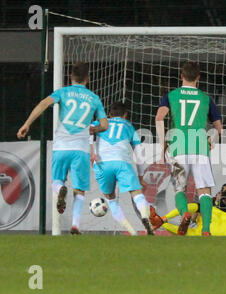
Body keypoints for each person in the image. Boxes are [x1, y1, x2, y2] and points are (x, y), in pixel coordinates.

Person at [17, 62, 108, 234]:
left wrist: (27, 124)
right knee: (79, 189)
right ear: (87, 79)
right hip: (80, 149)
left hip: (61, 146)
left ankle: (60, 190)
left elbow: (44, 104)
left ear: (71, 77)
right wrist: (93, 129)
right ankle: (75, 225)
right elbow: (104, 125)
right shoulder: (94, 98)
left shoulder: (63, 92)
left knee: (56, 181)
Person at [155, 61, 223, 236]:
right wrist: (212, 138)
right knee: (205, 191)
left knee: (180, 188)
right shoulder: (206, 98)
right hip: (200, 147)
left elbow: (159, 117)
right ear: (198, 78)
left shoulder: (171, 96)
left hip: (178, 147)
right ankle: (206, 229)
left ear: (181, 76)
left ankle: (185, 213)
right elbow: (218, 127)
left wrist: (163, 144)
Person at [90, 101, 154, 235]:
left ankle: (132, 232)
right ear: (125, 115)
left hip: (102, 164)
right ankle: (144, 217)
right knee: (137, 193)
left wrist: (91, 152)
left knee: (110, 199)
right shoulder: (129, 126)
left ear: (109, 114)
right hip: (122, 163)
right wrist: (141, 176)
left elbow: (87, 131)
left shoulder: (99, 123)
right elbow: (139, 152)